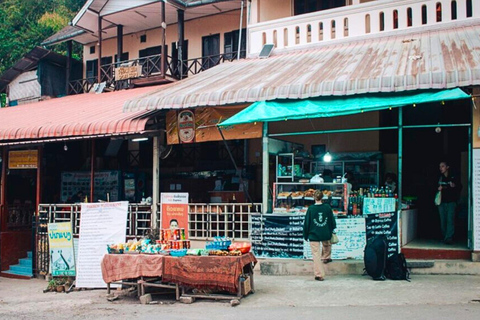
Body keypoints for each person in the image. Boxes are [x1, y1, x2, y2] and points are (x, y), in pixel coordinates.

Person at [303, 190, 336, 281]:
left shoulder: (311, 209)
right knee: (327, 244)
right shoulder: (327, 207)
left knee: (316, 254)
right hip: (325, 232)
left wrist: (305, 235)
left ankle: (319, 274)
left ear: (314, 198)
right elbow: (332, 220)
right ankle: (326, 257)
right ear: (322, 198)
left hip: (313, 235)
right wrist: (332, 228)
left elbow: (307, 223)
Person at [437, 161, 462, 245]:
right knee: (443, 220)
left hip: (451, 202)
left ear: (447, 167)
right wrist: (438, 189)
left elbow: (460, 187)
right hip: (441, 202)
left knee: (450, 220)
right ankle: (444, 237)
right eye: (440, 166)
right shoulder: (439, 177)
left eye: (443, 166)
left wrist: (454, 186)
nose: (441, 168)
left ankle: (449, 238)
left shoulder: (453, 177)